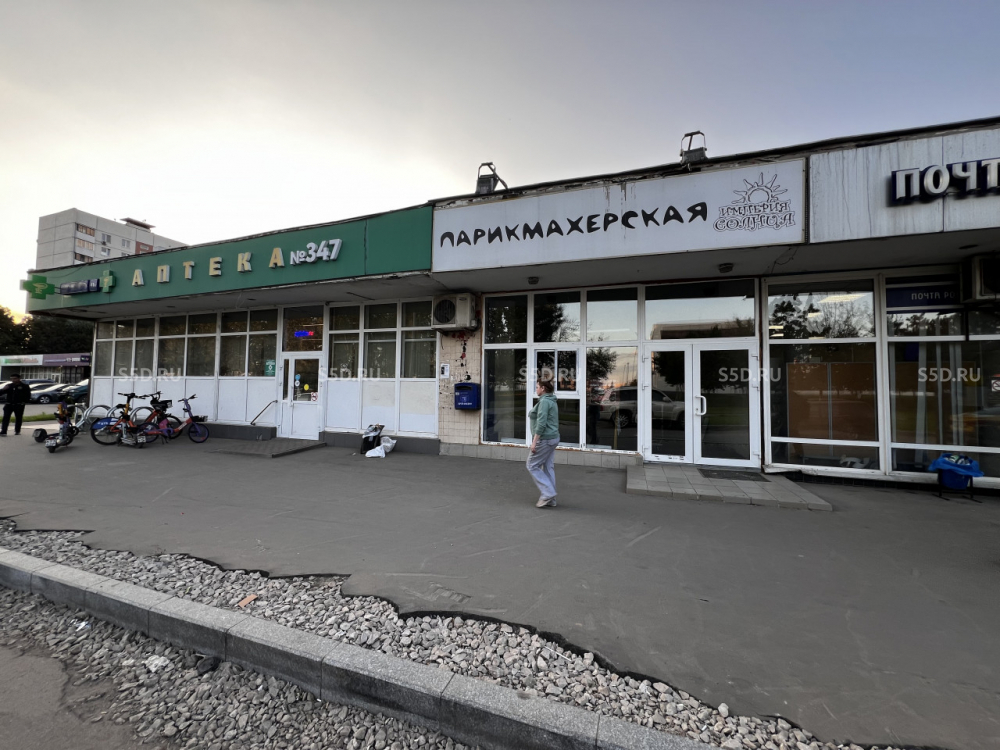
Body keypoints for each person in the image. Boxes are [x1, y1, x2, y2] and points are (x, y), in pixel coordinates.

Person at [527, 379, 560, 508]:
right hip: (553, 438)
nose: (536, 389)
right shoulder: (551, 400)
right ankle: (551, 500)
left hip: (545, 439)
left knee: (532, 465)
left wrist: (534, 442)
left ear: (543, 389)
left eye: (537, 387)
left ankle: (548, 493)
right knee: (548, 466)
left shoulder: (545, 402)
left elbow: (541, 423)